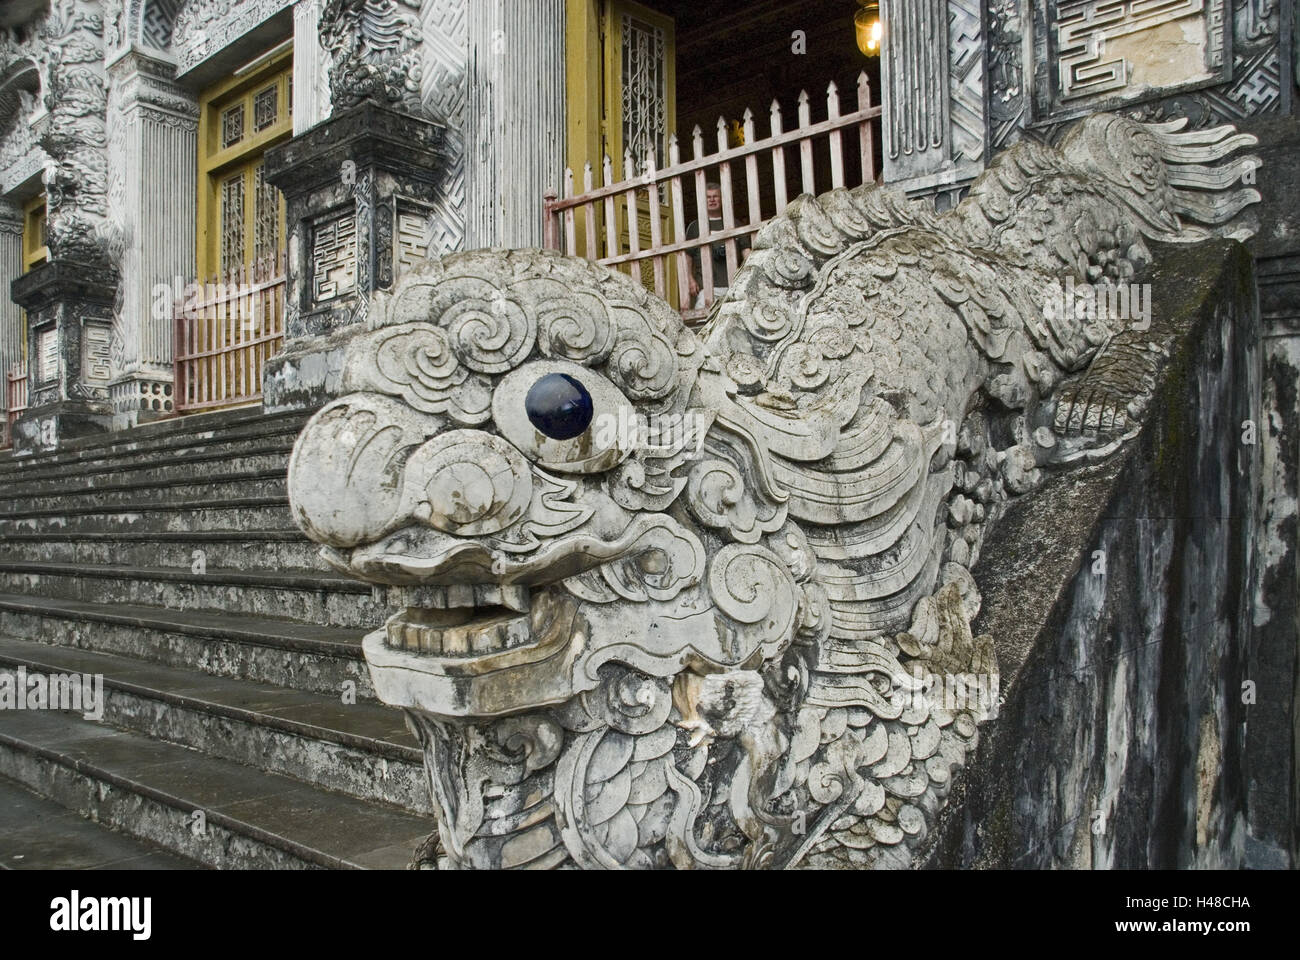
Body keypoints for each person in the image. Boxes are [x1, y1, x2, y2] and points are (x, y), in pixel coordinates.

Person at [685, 182, 750, 308]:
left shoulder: (734, 224)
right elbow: (687, 257)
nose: (712, 200)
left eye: (715, 196)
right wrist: (690, 280)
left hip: (733, 286)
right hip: (706, 288)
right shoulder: (695, 227)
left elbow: (747, 253)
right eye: (708, 197)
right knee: (703, 323)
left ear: (721, 199)